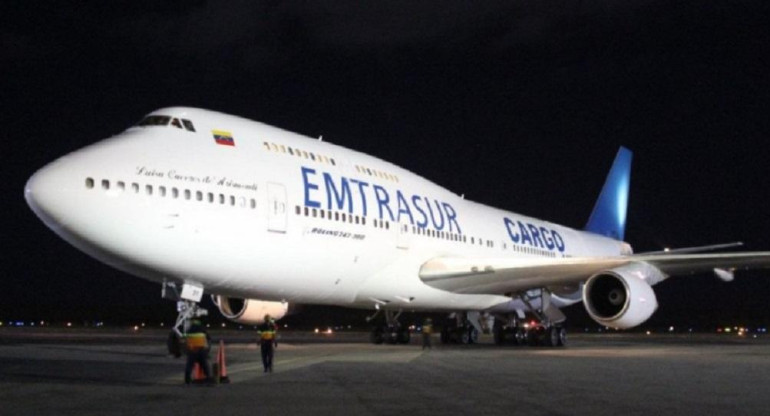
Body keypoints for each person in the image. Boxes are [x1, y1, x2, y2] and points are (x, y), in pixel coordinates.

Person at [184, 319, 212, 384]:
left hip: (192, 350)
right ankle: (208, 378)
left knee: (189, 365)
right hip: (201, 349)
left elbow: (185, 339)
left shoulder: (189, 330)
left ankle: (187, 379)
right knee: (204, 364)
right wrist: (207, 350)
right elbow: (208, 338)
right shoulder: (202, 329)